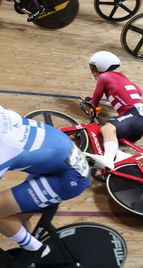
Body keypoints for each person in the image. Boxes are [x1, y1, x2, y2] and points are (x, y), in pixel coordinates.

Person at [0, 106, 90, 267]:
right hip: (56, 159)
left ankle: (35, 249)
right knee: (14, 219)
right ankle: (27, 251)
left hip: (68, 178)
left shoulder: (4, 148)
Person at [84, 51, 143, 170]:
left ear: (102, 66)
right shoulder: (122, 76)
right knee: (101, 132)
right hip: (139, 120)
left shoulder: (104, 77)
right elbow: (139, 91)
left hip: (133, 117)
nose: (92, 72)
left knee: (107, 128)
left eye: (93, 68)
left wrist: (88, 103)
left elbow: (95, 101)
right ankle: (120, 155)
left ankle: (108, 159)